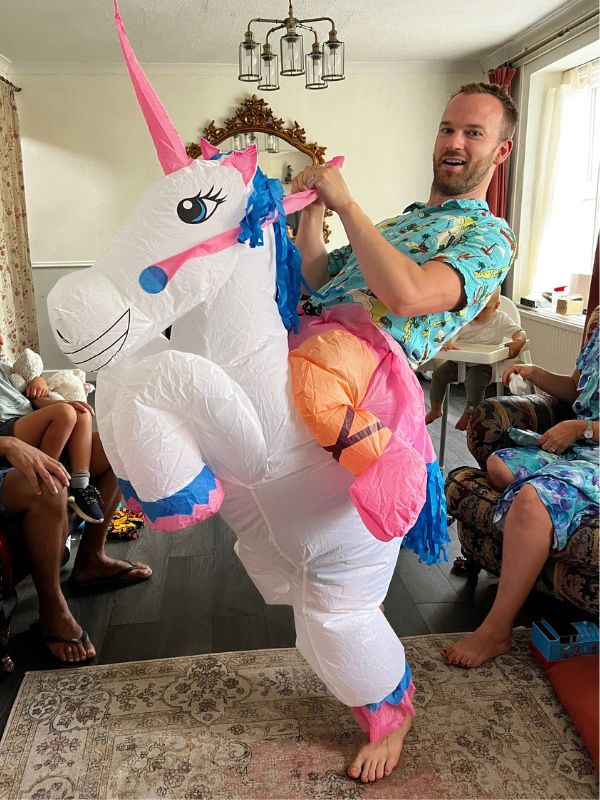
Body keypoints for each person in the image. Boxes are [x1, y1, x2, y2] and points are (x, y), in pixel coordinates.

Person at [291, 82, 518, 782]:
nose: (454, 142)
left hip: (372, 382)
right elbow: (322, 281)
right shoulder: (396, 221)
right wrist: (311, 215)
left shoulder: (486, 236)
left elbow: (411, 296)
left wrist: (347, 202)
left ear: (500, 150)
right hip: (316, 337)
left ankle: (391, 709)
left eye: (473, 134)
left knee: (344, 591)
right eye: (448, 128)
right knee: (312, 576)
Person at [442, 324, 599, 669]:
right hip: (583, 449)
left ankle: (497, 630)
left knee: (530, 500)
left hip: (592, 449)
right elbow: (577, 389)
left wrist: (581, 428)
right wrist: (536, 373)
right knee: (499, 465)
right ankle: (544, 522)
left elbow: (584, 421)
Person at [0, 337, 103, 524]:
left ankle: (81, 487)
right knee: (64, 413)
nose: (1, 340)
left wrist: (39, 384)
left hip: (26, 417)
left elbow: (29, 395)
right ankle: (50, 478)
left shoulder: (5, 370)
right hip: (5, 429)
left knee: (81, 411)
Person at [425, 286, 527, 430]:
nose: (477, 312)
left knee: (474, 384)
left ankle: (469, 414)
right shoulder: (464, 319)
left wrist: (518, 342)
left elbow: (520, 333)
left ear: (496, 307)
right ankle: (435, 409)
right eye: (474, 306)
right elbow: (451, 335)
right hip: (458, 362)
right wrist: (448, 341)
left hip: (483, 366)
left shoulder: (501, 319)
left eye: (484, 308)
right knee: (438, 375)